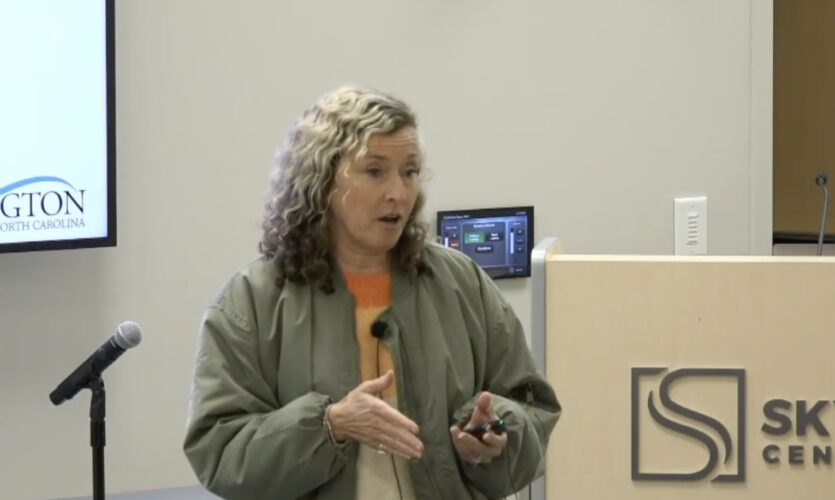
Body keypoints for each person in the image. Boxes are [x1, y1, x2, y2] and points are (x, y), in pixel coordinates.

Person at [183, 86, 561, 500]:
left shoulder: (462, 283)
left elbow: (532, 408)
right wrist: (330, 425)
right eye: (375, 171)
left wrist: (495, 435)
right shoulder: (250, 303)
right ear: (323, 180)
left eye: (410, 172)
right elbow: (220, 451)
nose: (398, 192)